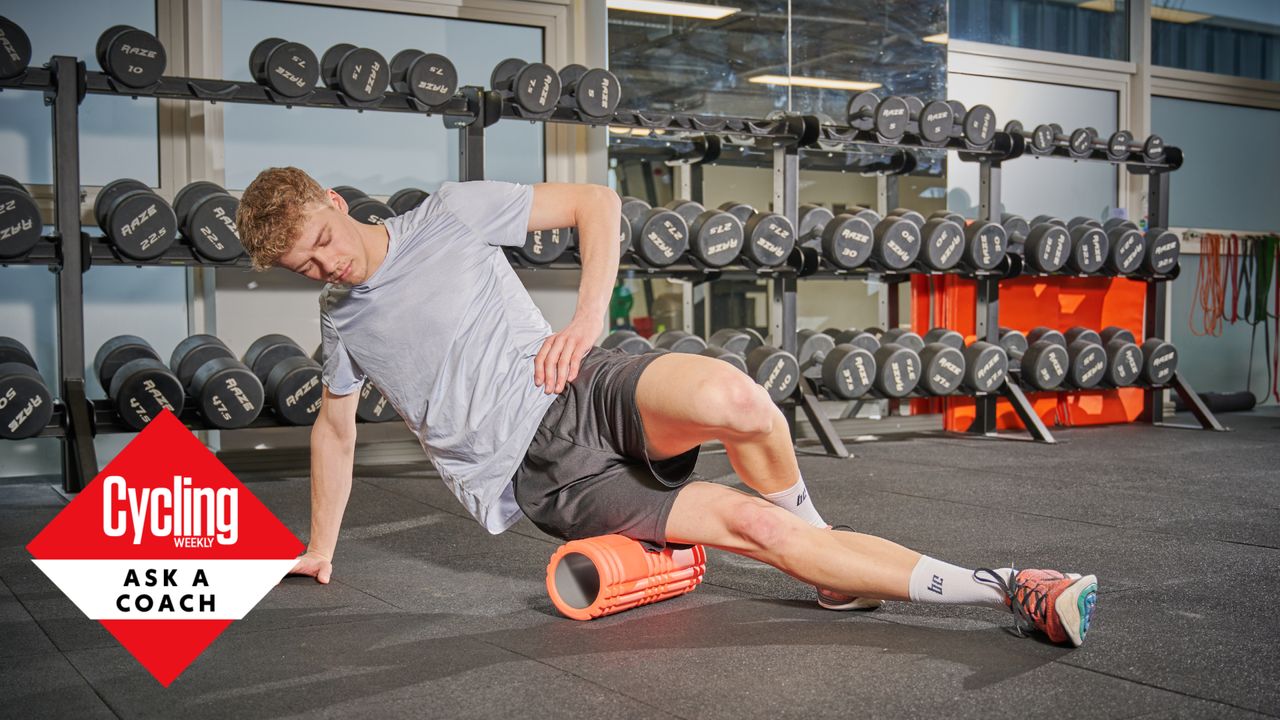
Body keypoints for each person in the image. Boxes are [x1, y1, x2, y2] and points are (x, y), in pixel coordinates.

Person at [236, 167, 1097, 647]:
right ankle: (1010, 589)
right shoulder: (341, 322)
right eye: (304, 267)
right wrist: (317, 548)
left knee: (740, 397)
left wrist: (583, 317)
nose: (327, 266)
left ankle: (833, 570)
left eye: (323, 242)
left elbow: (595, 204)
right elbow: (336, 428)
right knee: (757, 532)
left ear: (336, 204)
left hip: (579, 380)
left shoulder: (449, 215)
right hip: (544, 476)